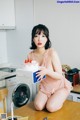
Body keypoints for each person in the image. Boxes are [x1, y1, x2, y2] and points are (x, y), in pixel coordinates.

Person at [27, 24, 72, 112]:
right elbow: (32, 74)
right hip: (45, 87)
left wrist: (46, 71)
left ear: (47, 39)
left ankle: (59, 97)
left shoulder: (52, 53)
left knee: (50, 108)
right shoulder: (30, 55)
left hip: (60, 86)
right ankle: (51, 98)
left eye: (43, 36)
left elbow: (60, 76)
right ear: (33, 39)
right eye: (36, 36)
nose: (39, 39)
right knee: (38, 106)